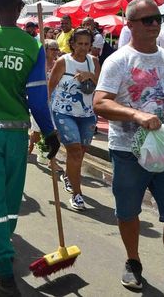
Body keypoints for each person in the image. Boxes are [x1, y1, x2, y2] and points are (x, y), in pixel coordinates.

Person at [93, 0, 164, 297]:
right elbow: (99, 102)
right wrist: (136, 114)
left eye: (157, 18)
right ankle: (133, 260)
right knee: (128, 211)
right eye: (146, 20)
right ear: (130, 25)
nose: (154, 24)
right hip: (128, 150)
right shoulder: (118, 60)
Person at [0, 0, 60, 296]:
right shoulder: (30, 46)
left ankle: (3, 269)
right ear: (21, 5)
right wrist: (49, 133)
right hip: (17, 134)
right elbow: (38, 99)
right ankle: (0, 257)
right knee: (9, 202)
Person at [48, 29, 100, 211]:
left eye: (87, 44)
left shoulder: (93, 61)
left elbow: (100, 85)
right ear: (72, 44)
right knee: (75, 151)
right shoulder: (64, 62)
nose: (83, 48)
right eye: (80, 44)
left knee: (82, 151)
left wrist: (90, 76)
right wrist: (44, 116)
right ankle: (77, 195)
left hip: (87, 114)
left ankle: (70, 177)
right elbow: (50, 87)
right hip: (63, 112)